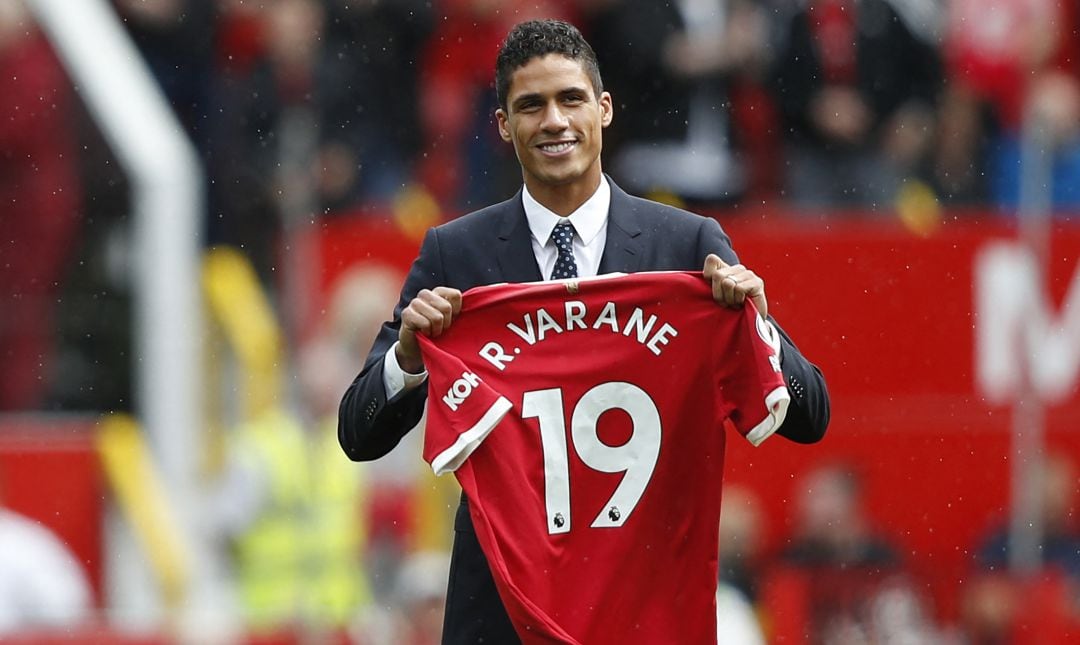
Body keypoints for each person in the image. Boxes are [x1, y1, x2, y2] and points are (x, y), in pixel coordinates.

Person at [339, 18, 829, 643]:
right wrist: (408, 358)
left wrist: (756, 327)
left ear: (603, 108)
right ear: (502, 125)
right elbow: (358, 431)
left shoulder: (686, 246)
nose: (554, 121)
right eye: (530, 105)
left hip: (641, 609)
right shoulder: (454, 255)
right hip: (501, 617)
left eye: (570, 99)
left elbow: (810, 415)